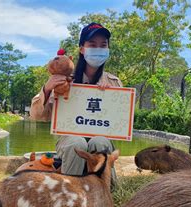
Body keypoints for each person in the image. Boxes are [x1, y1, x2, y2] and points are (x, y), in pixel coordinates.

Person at [30, 22, 122, 178]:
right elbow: (37, 116)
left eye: (103, 45)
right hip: (69, 139)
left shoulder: (114, 83)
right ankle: (69, 195)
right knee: (76, 142)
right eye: (92, 44)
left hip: (101, 137)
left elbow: (120, 122)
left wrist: (110, 96)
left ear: (108, 49)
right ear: (82, 49)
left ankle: (108, 192)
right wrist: (47, 88)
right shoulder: (64, 82)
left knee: (99, 142)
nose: (98, 49)